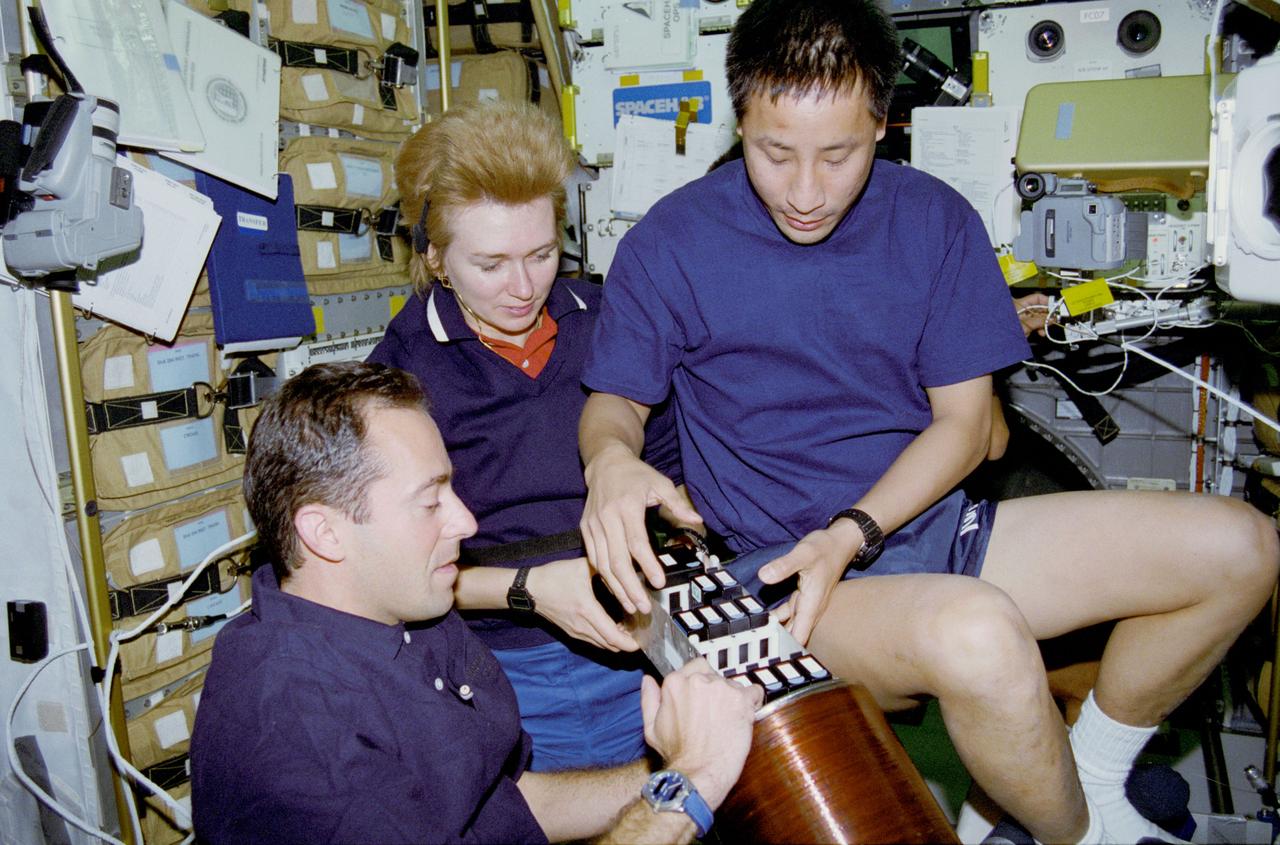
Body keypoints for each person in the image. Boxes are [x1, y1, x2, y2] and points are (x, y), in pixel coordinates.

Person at [575, 2, 1280, 844]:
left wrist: (854, 530)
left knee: (1243, 547)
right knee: (978, 634)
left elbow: (965, 424)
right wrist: (610, 460)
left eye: (836, 155)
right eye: (775, 152)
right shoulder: (672, 242)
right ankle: (1082, 836)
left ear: (882, 120)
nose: (805, 191)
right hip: (777, 581)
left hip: (922, 529)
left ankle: (1080, 777)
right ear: (743, 119)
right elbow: (612, 402)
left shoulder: (936, 221)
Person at [189, 362, 760, 844]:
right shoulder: (301, 742)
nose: (466, 521)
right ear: (325, 533)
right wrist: (691, 781)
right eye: (429, 502)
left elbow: (506, 803)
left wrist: (679, 761)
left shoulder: (405, 607)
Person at [366, 101, 690, 772]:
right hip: (507, 666)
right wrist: (528, 589)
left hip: (649, 636)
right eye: (490, 264)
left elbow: (673, 479)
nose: (523, 287)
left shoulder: (608, 321)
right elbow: (386, 577)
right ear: (435, 255)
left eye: (541, 253)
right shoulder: (399, 377)